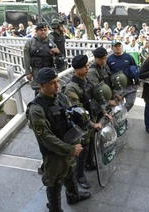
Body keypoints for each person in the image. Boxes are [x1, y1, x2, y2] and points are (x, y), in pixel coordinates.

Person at [26, 67, 91, 211]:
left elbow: (71, 117)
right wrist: (70, 149)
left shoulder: (61, 97)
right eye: (52, 83)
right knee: (54, 181)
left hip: (69, 143)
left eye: (57, 81)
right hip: (53, 153)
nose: (57, 85)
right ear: (42, 86)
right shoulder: (36, 109)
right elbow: (46, 138)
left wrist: (77, 140)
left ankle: (73, 195)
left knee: (69, 170)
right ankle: (55, 208)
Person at [62, 55, 108, 189]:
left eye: (88, 65)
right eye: (84, 67)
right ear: (76, 69)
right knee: (83, 149)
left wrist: (104, 111)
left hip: (92, 118)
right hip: (82, 125)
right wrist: (93, 125)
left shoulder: (87, 80)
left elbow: (98, 96)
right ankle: (79, 175)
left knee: (91, 144)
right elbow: (77, 113)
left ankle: (90, 163)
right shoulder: (71, 88)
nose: (88, 68)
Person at [24, 23, 60, 95]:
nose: (43, 32)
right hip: (37, 71)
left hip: (49, 70)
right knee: (39, 91)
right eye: (41, 30)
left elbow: (57, 54)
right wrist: (28, 72)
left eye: (44, 30)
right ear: (36, 31)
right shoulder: (30, 42)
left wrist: (57, 52)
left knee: (52, 90)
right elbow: (26, 57)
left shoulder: (50, 42)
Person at [107, 39, 138, 112]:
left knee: (130, 103)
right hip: (116, 87)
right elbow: (107, 73)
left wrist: (137, 82)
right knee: (117, 106)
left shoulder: (128, 57)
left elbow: (135, 68)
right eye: (116, 46)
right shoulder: (109, 59)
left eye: (119, 46)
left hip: (129, 85)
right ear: (112, 48)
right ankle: (120, 119)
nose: (118, 48)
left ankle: (123, 114)